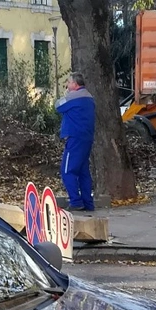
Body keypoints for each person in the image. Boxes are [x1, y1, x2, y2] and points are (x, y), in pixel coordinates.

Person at [56, 72, 96, 212]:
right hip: (87, 138)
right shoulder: (89, 97)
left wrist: (66, 94)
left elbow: (58, 106)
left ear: (74, 84)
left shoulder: (73, 97)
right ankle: (88, 203)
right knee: (83, 172)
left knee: (67, 170)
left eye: (68, 82)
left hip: (74, 139)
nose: (67, 85)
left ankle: (76, 201)